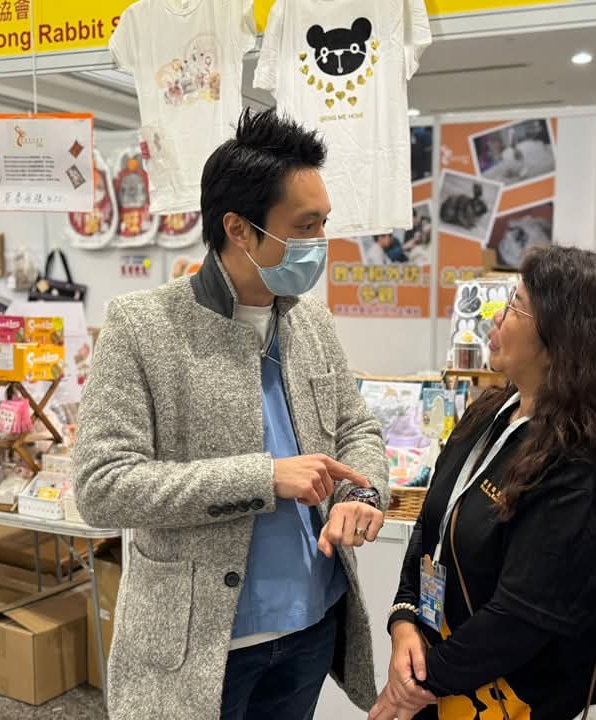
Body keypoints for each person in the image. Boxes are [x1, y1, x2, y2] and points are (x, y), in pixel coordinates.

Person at [73, 108, 390, 720]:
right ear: (239, 229)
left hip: (311, 626)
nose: (320, 241)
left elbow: (357, 427)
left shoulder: (310, 320)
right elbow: (101, 486)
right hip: (200, 645)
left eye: (324, 223)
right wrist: (263, 475)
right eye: (304, 226)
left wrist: (361, 493)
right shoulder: (143, 326)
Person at [370, 246, 596, 720]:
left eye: (515, 305)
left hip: (512, 702)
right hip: (440, 683)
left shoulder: (585, 473)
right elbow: (431, 526)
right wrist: (404, 619)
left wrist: (416, 685)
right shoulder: (490, 412)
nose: (496, 316)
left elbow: (519, 620)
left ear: (563, 339)